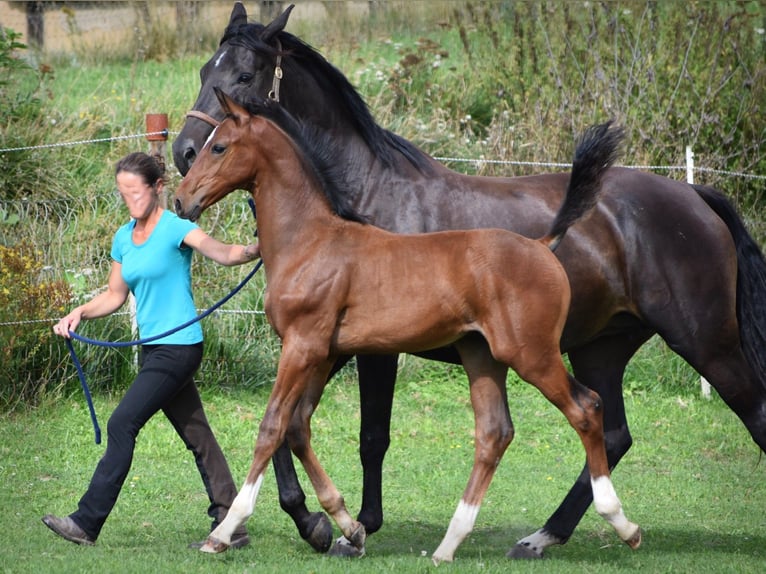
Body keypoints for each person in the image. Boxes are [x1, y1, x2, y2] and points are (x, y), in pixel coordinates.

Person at [43, 152, 259, 548]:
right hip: (152, 348)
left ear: (158, 188)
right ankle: (232, 522)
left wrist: (255, 248)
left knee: (121, 424)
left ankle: (86, 522)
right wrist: (79, 313)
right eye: (123, 194)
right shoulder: (123, 237)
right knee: (198, 434)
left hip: (179, 347)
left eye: (136, 192)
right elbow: (114, 294)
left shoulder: (175, 228)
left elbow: (224, 253)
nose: (130, 201)